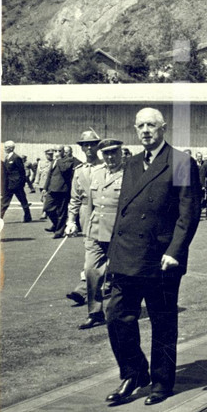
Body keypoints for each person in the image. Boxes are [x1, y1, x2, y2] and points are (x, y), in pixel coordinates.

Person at [104, 108, 201, 406]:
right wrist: (112, 256)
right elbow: (124, 213)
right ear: (135, 129)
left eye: (152, 125)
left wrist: (175, 252)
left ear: (163, 128)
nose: (146, 130)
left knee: (162, 322)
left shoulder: (182, 162)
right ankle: (134, 372)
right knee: (117, 316)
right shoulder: (131, 163)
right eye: (141, 126)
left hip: (161, 259)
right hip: (127, 256)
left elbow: (189, 214)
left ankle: (161, 381)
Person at [68, 139, 126, 329]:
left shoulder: (129, 174)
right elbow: (91, 203)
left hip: (118, 232)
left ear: (120, 153)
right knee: (91, 270)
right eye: (106, 154)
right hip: (94, 230)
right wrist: (83, 226)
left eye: (114, 153)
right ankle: (95, 312)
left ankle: (120, 311)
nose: (110, 157)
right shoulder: (96, 173)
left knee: (119, 274)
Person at [64, 130, 103, 305]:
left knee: (107, 251)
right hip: (85, 213)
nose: (88, 147)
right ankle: (86, 289)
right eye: (85, 145)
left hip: (105, 212)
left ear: (98, 146)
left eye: (92, 144)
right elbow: (74, 198)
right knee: (91, 251)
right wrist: (71, 221)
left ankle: (85, 289)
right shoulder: (78, 171)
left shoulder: (105, 166)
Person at [44, 145, 81, 237]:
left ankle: (59, 231)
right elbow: (50, 175)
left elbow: (64, 169)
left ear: (63, 152)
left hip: (62, 189)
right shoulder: (54, 161)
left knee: (62, 212)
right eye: (55, 150)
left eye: (59, 151)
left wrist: (59, 159)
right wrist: (45, 188)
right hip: (52, 189)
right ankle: (58, 225)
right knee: (48, 208)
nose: (56, 153)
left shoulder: (68, 160)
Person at [1, 140, 32, 221]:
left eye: (6, 147)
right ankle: (0, 217)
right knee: (4, 202)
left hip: (17, 184)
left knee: (23, 201)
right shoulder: (7, 157)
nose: (5, 148)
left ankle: (28, 217)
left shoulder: (16, 158)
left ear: (11, 148)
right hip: (9, 184)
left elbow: (21, 171)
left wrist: (21, 182)